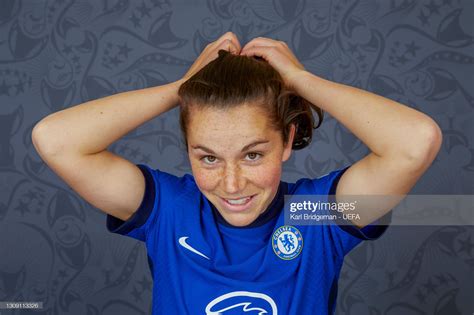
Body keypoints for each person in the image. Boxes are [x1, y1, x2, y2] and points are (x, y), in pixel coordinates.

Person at [32, 32, 442, 314]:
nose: (231, 184)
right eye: (208, 158)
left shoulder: (315, 216)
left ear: (286, 141)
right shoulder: (170, 211)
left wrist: (300, 80)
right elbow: (55, 139)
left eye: (252, 155)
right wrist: (182, 88)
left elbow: (415, 142)